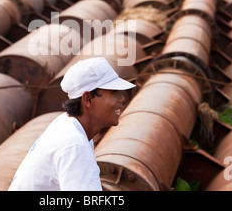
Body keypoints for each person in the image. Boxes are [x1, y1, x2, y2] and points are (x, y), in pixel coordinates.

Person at [8, 57, 136, 191]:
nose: (121, 98)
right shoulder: (75, 144)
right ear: (88, 99)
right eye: (114, 92)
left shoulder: (68, 124)